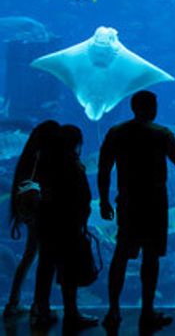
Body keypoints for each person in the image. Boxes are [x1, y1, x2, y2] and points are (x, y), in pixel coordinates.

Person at [98, 90, 175, 331]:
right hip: (154, 202)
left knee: (120, 254)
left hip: (127, 200)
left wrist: (104, 201)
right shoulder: (161, 133)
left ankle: (113, 309)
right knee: (151, 257)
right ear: (152, 108)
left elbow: (104, 168)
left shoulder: (116, 132)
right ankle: (147, 312)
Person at [33, 124, 97, 329]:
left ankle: (42, 310)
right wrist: (81, 219)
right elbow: (79, 195)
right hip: (68, 224)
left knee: (46, 266)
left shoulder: (45, 161)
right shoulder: (71, 163)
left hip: (47, 222)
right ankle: (71, 313)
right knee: (69, 270)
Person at [4, 120, 60, 320]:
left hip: (29, 212)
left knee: (29, 256)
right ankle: (39, 304)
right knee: (44, 260)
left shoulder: (28, 156)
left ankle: (13, 302)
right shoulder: (44, 157)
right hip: (41, 213)